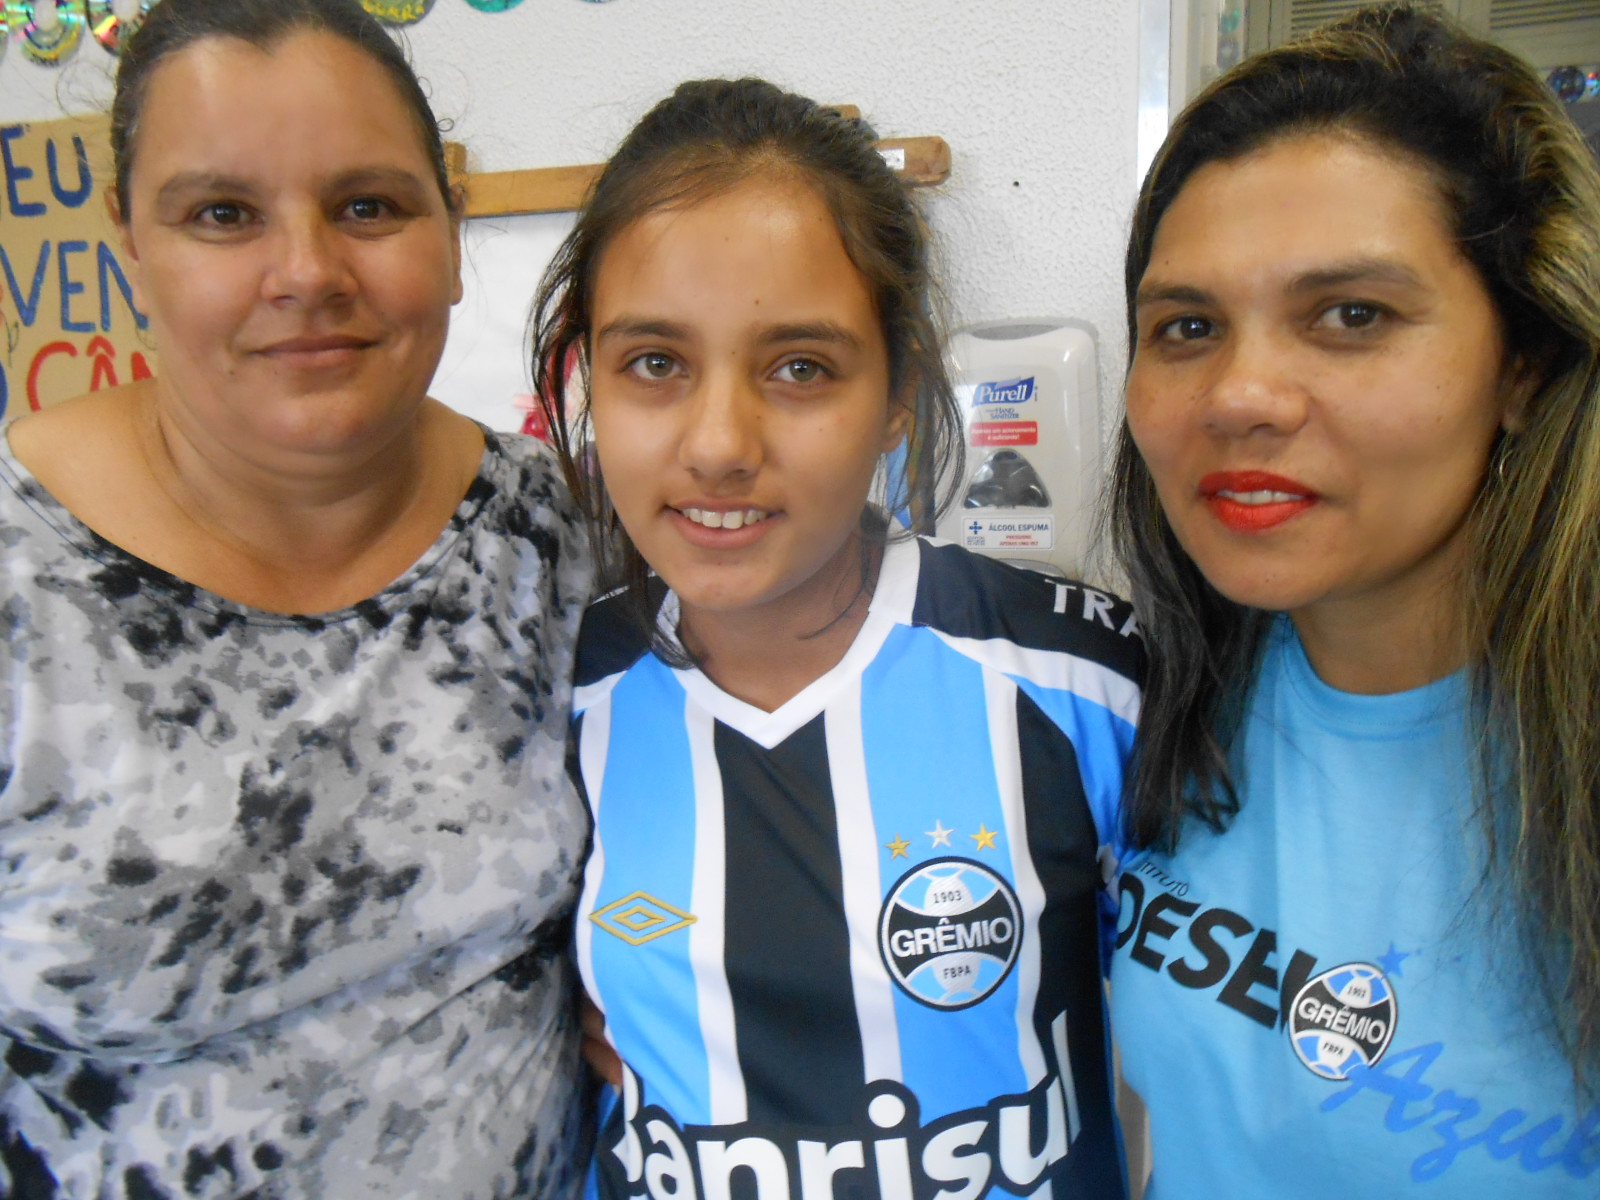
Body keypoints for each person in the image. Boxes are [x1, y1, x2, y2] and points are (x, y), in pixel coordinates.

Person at [0, 1, 591, 1196]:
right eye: (221, 215)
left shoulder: (553, 526)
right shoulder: (23, 579)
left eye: (368, 206)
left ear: (451, 226)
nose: (309, 272)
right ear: (129, 241)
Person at [531, 78, 1144, 1200]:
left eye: (799, 368)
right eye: (655, 363)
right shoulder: (541, 710)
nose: (718, 444)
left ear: (900, 387)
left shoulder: (1082, 686)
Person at [1107, 5, 1600, 1197]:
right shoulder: (1138, 701)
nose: (1240, 394)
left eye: (1351, 316)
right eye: (1186, 326)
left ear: (1521, 366)